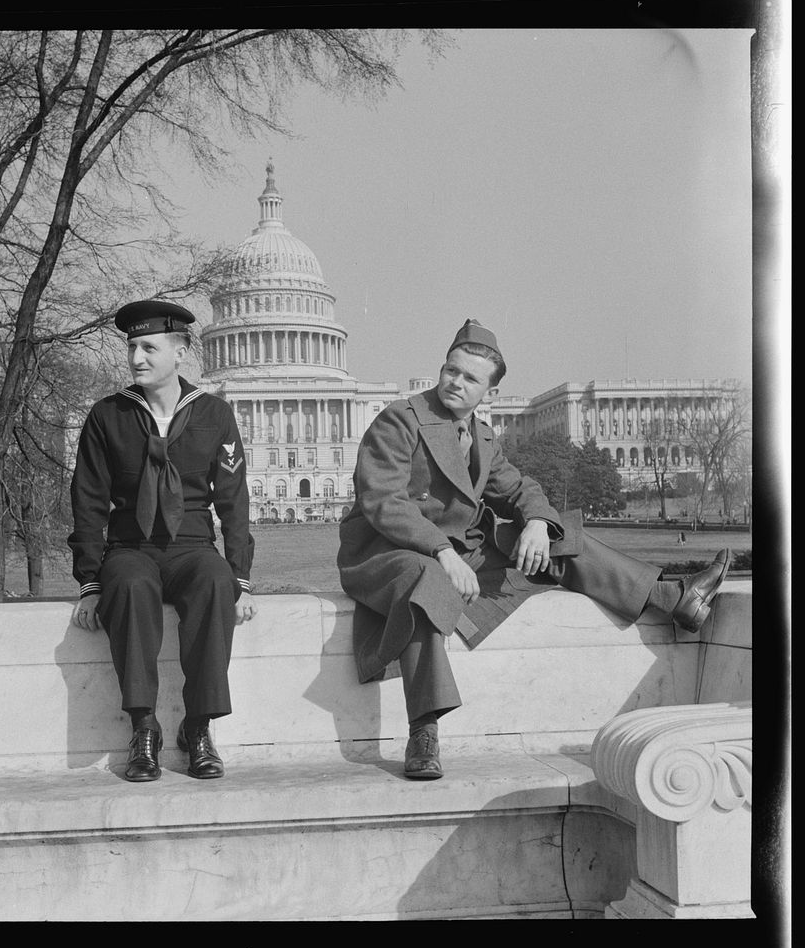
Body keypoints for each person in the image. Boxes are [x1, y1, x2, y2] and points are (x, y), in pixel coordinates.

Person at [338, 319, 731, 781]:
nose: (455, 383)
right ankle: (423, 729)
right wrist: (442, 552)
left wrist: (540, 524)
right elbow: (384, 502)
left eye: (470, 379)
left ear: (490, 392)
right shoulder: (398, 419)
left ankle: (673, 599)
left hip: (455, 553)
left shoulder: (483, 436)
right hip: (387, 552)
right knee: (423, 579)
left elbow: (520, 487)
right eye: (451, 371)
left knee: (559, 537)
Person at [68, 299, 257, 783]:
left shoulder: (214, 415)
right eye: (132, 347)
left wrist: (240, 575)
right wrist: (91, 582)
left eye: (149, 348)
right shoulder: (107, 416)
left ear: (180, 353)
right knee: (128, 587)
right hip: (130, 547)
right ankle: (144, 729)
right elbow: (88, 502)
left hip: (193, 546)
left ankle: (198, 728)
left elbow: (233, 500)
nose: (136, 358)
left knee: (216, 583)